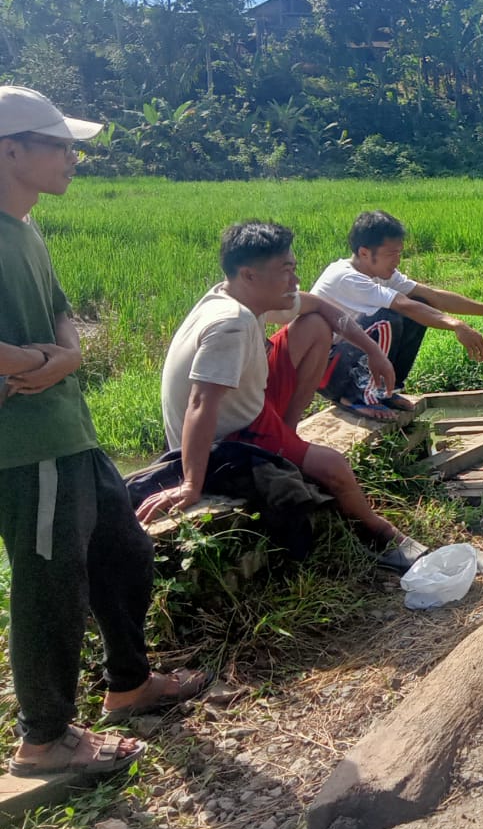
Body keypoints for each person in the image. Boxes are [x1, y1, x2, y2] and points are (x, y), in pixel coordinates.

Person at [0, 86, 208, 778]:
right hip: (27, 448)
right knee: (48, 583)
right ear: (12, 151)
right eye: (59, 146)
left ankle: (128, 682)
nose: (73, 158)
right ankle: (45, 737)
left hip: (70, 431)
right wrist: (40, 361)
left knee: (122, 551)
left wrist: (58, 358)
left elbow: (63, 319)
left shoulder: (26, 226)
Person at [142, 221, 426, 574]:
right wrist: (190, 484)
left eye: (293, 269)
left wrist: (373, 351)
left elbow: (322, 306)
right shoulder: (230, 324)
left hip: (249, 402)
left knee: (316, 325)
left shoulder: (240, 296)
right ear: (249, 275)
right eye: (286, 271)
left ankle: (288, 435)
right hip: (230, 436)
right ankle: (379, 536)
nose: (294, 281)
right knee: (335, 468)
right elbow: (201, 404)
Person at [311, 210, 483, 420]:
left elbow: (433, 296)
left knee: (420, 305)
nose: (398, 260)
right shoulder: (347, 277)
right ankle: (357, 397)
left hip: (343, 361)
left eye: (399, 253)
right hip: (325, 372)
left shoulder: (379, 273)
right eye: (391, 254)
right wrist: (456, 325)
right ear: (364, 253)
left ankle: (387, 391)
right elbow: (403, 305)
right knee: (388, 318)